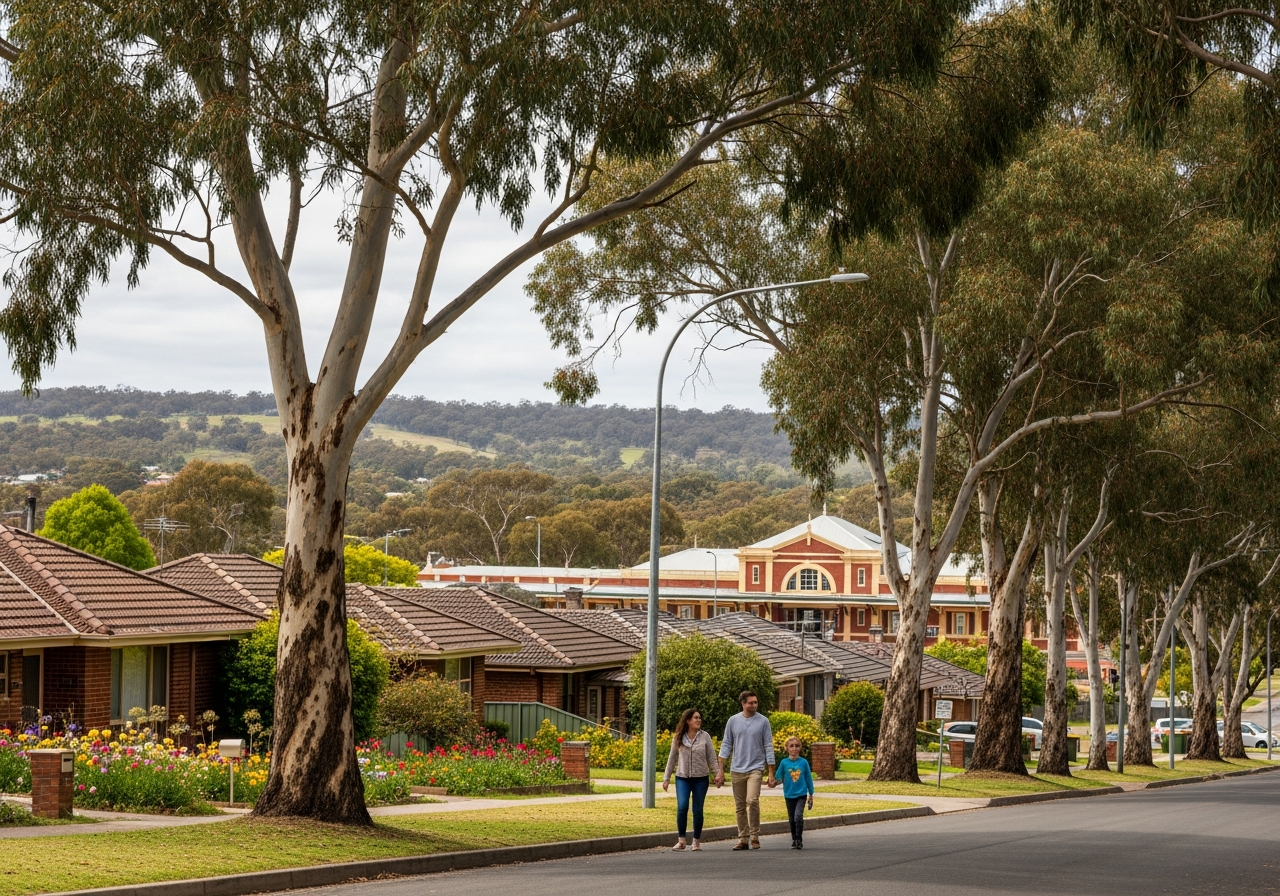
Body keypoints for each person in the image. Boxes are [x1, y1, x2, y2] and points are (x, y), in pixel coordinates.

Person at [716, 689, 776, 850]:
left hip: (756, 768)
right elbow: (726, 744)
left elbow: (768, 746)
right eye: (751, 702)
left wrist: (771, 772)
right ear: (743, 703)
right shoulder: (733, 721)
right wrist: (720, 769)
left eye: (756, 702)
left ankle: (755, 835)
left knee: (752, 800)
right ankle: (743, 838)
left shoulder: (763, 721)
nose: (754, 705)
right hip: (737, 769)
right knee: (740, 805)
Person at [662, 707, 718, 851]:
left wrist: (717, 774)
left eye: (699, 718)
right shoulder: (679, 737)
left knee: (698, 809)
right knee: (682, 807)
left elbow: (711, 757)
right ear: (688, 720)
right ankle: (681, 840)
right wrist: (666, 778)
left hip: (701, 778)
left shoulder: (705, 736)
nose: (699, 720)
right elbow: (672, 758)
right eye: (695, 718)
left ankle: (696, 841)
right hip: (682, 777)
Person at [776, 736, 814, 849]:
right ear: (787, 748)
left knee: (798, 817)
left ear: (800, 748)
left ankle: (799, 839)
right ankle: (794, 838)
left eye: (797, 746)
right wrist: (772, 782)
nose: (794, 748)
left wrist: (811, 794)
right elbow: (779, 777)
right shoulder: (784, 763)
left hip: (801, 794)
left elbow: (808, 778)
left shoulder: (803, 763)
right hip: (789, 794)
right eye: (791, 746)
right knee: (792, 818)